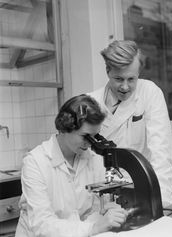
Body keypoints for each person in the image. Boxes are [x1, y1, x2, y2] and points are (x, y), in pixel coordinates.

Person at [15, 94, 128, 237]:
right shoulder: (35, 162)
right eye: (85, 136)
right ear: (64, 129)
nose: (90, 143)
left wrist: (110, 210)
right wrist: (92, 228)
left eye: (95, 136)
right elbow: (42, 225)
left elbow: (101, 204)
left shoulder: (93, 159)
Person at [88, 40, 172, 207]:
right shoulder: (91, 101)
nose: (125, 87)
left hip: (140, 187)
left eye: (131, 79)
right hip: (102, 192)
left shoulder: (149, 92)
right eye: (118, 79)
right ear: (108, 71)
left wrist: (161, 202)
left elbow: (161, 152)